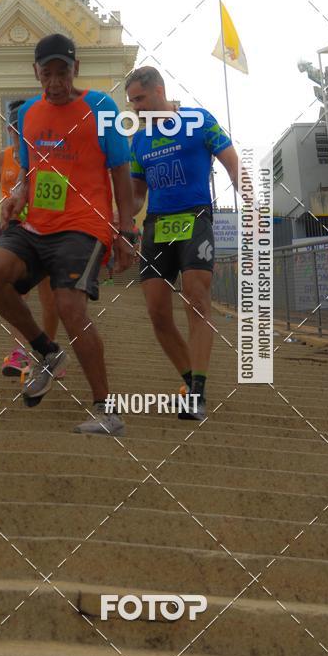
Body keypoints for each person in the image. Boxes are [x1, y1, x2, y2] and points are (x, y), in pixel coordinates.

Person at [0, 33, 134, 435]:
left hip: (84, 225)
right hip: (36, 224)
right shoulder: (28, 113)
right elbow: (29, 174)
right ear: (36, 74)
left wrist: (126, 229)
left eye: (62, 73)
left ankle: (105, 410)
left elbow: (119, 171)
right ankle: (47, 352)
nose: (55, 82)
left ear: (75, 69)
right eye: (47, 74)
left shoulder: (101, 107)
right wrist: (17, 198)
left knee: (70, 308)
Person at [127, 66, 239, 420]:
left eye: (140, 99)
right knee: (158, 313)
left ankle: (199, 394)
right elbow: (135, 196)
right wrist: (118, 220)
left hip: (195, 218)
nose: (136, 109)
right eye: (132, 103)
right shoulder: (139, 141)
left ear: (160, 91)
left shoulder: (198, 120)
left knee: (196, 300)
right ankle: (191, 382)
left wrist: (251, 209)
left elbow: (233, 166)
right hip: (157, 226)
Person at [0, 100, 60, 376]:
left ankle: (48, 355)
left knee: (50, 298)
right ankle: (19, 351)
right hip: (14, 232)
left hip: (45, 230)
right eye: (14, 128)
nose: (18, 132)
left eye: (22, 127)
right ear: (9, 129)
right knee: (13, 292)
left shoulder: (47, 154)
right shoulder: (3, 158)